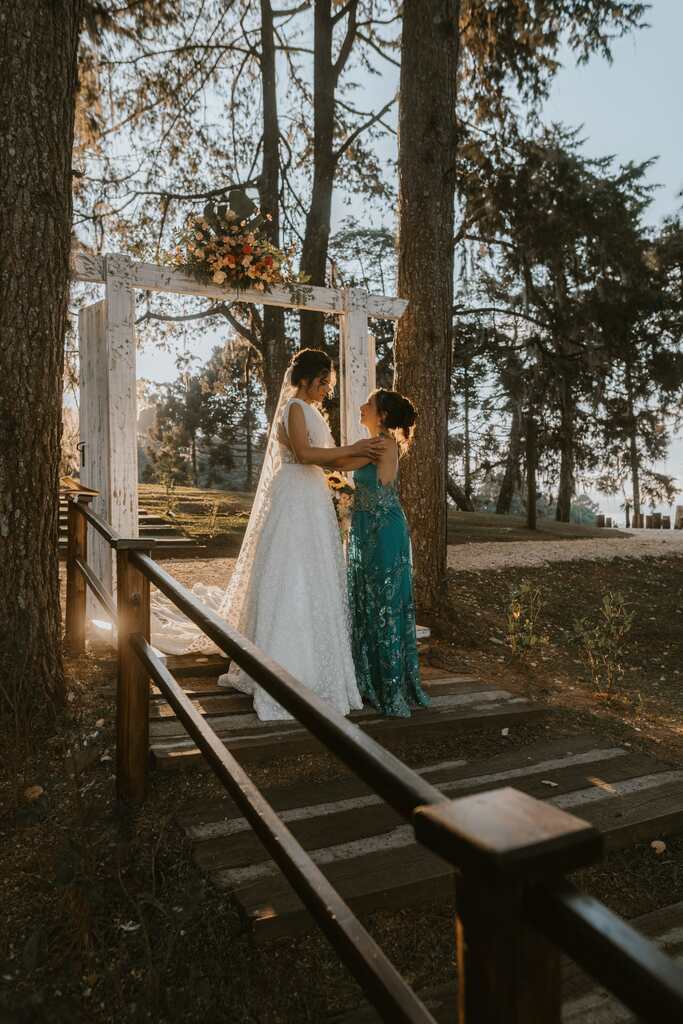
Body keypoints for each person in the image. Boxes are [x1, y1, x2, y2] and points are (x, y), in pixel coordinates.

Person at [151, 348, 383, 721]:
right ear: (305, 379)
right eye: (323, 381)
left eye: (328, 383)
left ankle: (318, 667)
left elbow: (333, 459)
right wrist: (354, 447)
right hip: (293, 494)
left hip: (312, 496)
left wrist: (368, 454)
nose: (327, 389)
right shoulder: (294, 408)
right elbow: (305, 454)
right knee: (289, 571)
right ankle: (281, 669)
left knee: (315, 575)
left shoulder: (314, 412)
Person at [345, 389, 430, 717]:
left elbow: (339, 461)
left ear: (381, 416)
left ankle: (389, 685)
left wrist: (305, 450)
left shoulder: (381, 444)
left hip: (383, 531)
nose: (361, 406)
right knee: (369, 599)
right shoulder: (376, 443)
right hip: (368, 529)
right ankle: (370, 678)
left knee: (384, 603)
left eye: (368, 404)